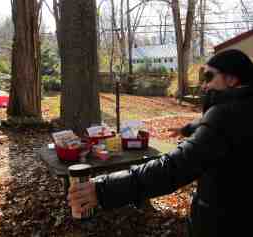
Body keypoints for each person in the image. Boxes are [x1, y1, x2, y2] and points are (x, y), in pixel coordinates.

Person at [67, 49, 253, 237]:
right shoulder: (241, 110)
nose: (204, 85)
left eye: (209, 76)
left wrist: (102, 189)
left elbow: (174, 167)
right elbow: (215, 128)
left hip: (224, 223)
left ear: (231, 79)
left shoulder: (225, 116)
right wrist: (187, 128)